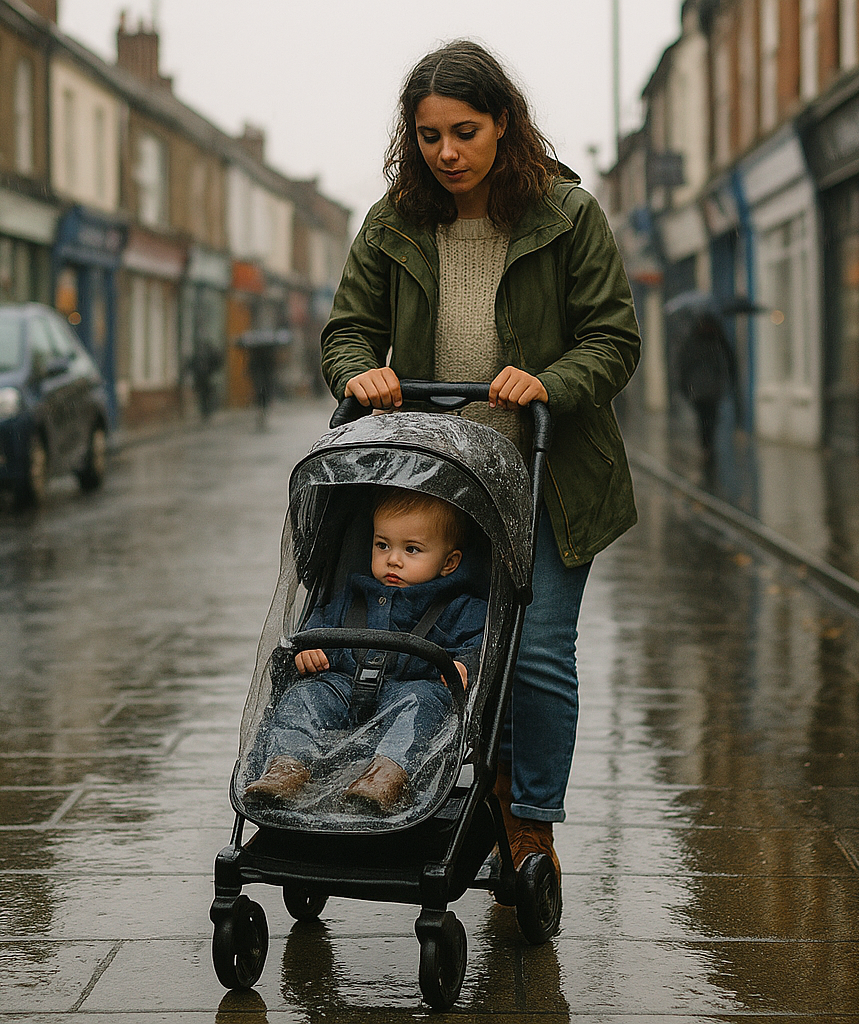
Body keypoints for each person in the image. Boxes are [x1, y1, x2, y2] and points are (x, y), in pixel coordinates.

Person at [319, 41, 641, 879]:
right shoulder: (390, 223)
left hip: (550, 478)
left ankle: (527, 820)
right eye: (429, 136)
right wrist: (359, 368)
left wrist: (549, 381)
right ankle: (423, 780)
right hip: (435, 483)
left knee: (532, 651)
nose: (448, 153)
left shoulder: (569, 216)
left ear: (505, 122)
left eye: (465, 130)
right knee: (430, 643)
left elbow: (614, 339)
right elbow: (348, 327)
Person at [245, 488, 487, 814]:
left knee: (425, 704)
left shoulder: (461, 607)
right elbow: (319, 623)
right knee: (303, 697)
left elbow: (478, 644)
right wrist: (311, 647)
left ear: (449, 563)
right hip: (343, 684)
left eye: (411, 549)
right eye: (382, 545)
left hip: (412, 691)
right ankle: (287, 766)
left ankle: (387, 775)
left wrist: (465, 665)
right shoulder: (355, 593)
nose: (393, 559)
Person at [668, 306, 739, 459]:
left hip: (698, 388)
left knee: (703, 417)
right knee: (711, 416)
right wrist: (729, 380)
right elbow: (729, 361)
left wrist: (684, 386)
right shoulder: (718, 339)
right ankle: (709, 444)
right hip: (713, 387)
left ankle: (706, 445)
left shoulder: (693, 339)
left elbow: (684, 364)